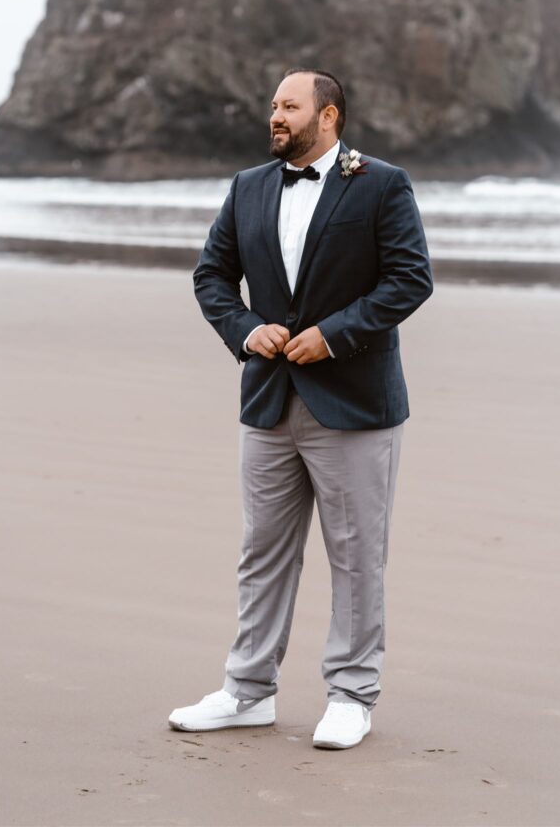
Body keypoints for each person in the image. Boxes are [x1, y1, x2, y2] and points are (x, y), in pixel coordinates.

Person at [169, 67, 433, 749]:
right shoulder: (248, 186)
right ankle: (246, 691)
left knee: (354, 556)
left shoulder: (380, 183)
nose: (274, 116)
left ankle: (351, 695)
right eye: (272, 105)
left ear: (329, 116)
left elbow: (410, 279)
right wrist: (245, 329)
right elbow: (211, 276)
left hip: (354, 405)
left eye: (289, 105)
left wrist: (335, 335)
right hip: (266, 402)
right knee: (261, 553)